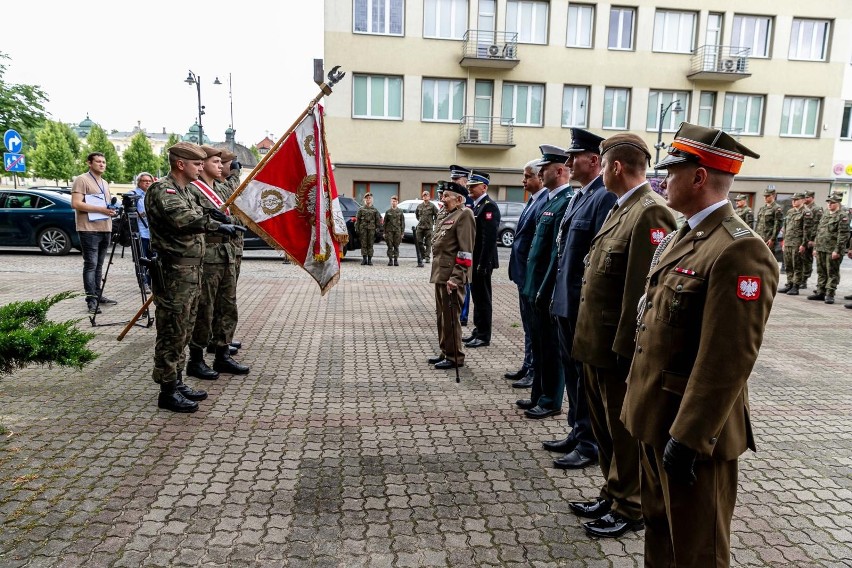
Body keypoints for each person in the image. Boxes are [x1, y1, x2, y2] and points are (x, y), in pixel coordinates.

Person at [621, 123, 778, 567]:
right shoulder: (681, 236)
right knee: (661, 535)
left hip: (691, 435)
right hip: (655, 417)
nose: (662, 179)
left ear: (698, 177)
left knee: (697, 551)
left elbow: (728, 360)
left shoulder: (739, 251)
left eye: (671, 171)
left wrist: (689, 437)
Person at [570, 133, 675, 537]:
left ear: (615, 166)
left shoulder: (650, 212)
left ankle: (631, 506)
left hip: (617, 350)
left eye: (602, 162)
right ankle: (613, 492)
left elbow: (641, 292)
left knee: (623, 432)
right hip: (595, 344)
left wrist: (626, 350)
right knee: (604, 429)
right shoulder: (621, 208)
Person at [543, 128, 622, 470]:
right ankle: (577, 430)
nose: (569, 162)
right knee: (572, 375)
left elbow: (597, 257)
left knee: (584, 377)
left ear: (594, 160)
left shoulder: (604, 197)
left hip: (581, 304)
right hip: (565, 300)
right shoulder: (580, 196)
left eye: (574, 157)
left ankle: (589, 442)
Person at [145, 142, 239, 412]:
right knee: (172, 331)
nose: (202, 167)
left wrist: (216, 215)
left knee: (185, 329)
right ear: (180, 164)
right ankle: (167, 390)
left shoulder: (185, 191)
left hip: (191, 271)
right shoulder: (163, 189)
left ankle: (176, 380)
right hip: (174, 272)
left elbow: (200, 211)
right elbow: (184, 219)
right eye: (197, 164)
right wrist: (216, 224)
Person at [517, 145, 573, 419]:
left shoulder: (566, 202)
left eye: (545, 168)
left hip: (545, 289)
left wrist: (544, 289)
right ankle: (538, 394)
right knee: (539, 345)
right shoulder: (550, 200)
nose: (540, 173)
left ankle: (551, 399)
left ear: (560, 171)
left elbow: (556, 253)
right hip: (533, 287)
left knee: (551, 348)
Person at [186, 145, 249, 379]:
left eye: (221, 163)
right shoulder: (193, 190)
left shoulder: (219, 189)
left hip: (226, 253)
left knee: (227, 306)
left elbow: (234, 206)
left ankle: (222, 353)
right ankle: (196, 359)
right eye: (216, 162)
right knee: (205, 309)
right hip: (207, 255)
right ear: (202, 165)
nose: (221, 166)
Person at [505, 159, 548, 387]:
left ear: (540, 177)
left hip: (532, 275)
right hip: (522, 274)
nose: (523, 181)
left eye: (528, 176)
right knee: (527, 325)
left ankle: (534, 370)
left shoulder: (544, 202)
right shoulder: (533, 201)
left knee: (534, 326)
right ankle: (527, 365)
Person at [427, 181, 475, 370]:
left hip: (452, 277)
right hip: (441, 273)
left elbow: (465, 251)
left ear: (459, 199)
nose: (443, 199)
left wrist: (456, 277)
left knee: (452, 317)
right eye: (443, 195)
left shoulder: (464, 215)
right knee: (442, 316)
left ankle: (455, 356)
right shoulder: (446, 214)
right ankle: (445, 351)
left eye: (447, 196)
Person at [70, 152, 119, 313]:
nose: (102, 164)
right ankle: (91, 299)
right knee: (90, 264)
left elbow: (105, 205)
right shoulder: (82, 180)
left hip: (105, 227)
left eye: (104, 162)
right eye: (98, 161)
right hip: (89, 229)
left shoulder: (104, 182)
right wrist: (101, 209)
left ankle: (98, 294)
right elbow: (76, 204)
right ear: (89, 163)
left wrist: (111, 211)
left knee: (99, 265)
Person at [464, 171, 500, 348]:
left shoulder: (488, 206)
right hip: (476, 260)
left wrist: (483, 264)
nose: (469, 188)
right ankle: (478, 331)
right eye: (469, 186)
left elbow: (489, 239)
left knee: (483, 299)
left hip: (482, 262)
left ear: (484, 187)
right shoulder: (477, 206)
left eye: (473, 186)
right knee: (477, 298)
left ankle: (484, 335)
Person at [216, 149, 244, 353]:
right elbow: (230, 197)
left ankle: (222, 338)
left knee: (227, 298)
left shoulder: (221, 184)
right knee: (219, 300)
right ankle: (217, 340)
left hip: (232, 247)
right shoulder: (216, 186)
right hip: (217, 250)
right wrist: (235, 175)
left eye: (222, 163)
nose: (222, 166)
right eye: (229, 164)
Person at [808, 193, 850, 304]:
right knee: (821, 271)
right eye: (829, 202)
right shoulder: (825, 214)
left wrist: (837, 250)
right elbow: (819, 231)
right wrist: (815, 247)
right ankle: (820, 292)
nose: (830, 204)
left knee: (832, 272)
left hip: (832, 250)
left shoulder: (842, 216)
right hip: (821, 248)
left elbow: (843, 235)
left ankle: (830, 293)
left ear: (838, 203)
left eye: (832, 203)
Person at [448, 165, 474, 325]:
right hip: (452, 252)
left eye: (456, 179)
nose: (454, 182)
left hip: (465, 250)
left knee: (464, 282)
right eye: (452, 179)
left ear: (465, 181)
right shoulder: (452, 199)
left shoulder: (469, 201)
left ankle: (462, 316)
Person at [779, 192, 813, 295]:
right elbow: (785, 227)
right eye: (793, 199)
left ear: (802, 200)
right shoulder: (790, 212)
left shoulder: (806, 212)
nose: (794, 201)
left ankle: (795, 286)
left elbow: (807, 230)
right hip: (789, 241)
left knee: (797, 265)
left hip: (798, 243)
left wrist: (803, 244)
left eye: (796, 199)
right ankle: (789, 284)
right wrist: (784, 241)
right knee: (788, 265)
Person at [128, 172, 154, 290]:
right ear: (139, 182)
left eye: (149, 181)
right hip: (140, 233)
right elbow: (129, 215)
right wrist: (142, 214)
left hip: (152, 233)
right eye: (145, 181)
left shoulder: (152, 194)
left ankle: (151, 283)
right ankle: (143, 283)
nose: (148, 183)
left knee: (152, 259)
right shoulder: (133, 195)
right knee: (141, 259)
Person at [802, 189, 823, 290]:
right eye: (805, 197)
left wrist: (812, 239)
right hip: (802, 237)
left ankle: (804, 279)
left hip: (810, 238)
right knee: (800, 259)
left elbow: (817, 225)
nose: (805, 199)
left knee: (807, 260)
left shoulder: (817, 209)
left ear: (812, 198)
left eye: (807, 197)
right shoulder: (804, 208)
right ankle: (799, 278)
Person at [355, 193, 381, 265]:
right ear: (364, 200)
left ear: (372, 200)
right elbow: (358, 220)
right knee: (363, 244)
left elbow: (378, 221)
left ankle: (369, 259)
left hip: (372, 230)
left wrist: (378, 229)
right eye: (366, 198)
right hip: (363, 230)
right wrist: (357, 229)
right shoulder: (361, 209)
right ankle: (364, 259)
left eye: (369, 198)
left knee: (370, 244)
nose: (368, 200)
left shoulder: (375, 210)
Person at [755, 188, 783, 253]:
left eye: (767, 196)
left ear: (773, 196)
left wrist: (772, 239)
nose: (765, 198)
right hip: (759, 238)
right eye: (764, 196)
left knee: (766, 259)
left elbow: (777, 225)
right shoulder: (762, 208)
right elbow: (758, 224)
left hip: (768, 239)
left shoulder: (777, 209)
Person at [415, 190, 439, 267]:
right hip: (420, 227)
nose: (425, 197)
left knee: (428, 243)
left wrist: (434, 223)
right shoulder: (419, 206)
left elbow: (437, 215)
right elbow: (417, 215)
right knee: (419, 242)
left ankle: (427, 257)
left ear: (429, 197)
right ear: (422, 197)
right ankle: (423, 255)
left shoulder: (432, 206)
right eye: (424, 195)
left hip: (428, 227)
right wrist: (420, 220)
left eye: (426, 195)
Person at [383, 195, 405, 266]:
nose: (394, 203)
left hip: (397, 231)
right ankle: (390, 260)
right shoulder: (388, 212)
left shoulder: (400, 211)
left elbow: (402, 222)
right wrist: (384, 232)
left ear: (397, 202)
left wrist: (402, 232)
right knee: (389, 246)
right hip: (389, 231)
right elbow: (385, 223)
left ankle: (395, 260)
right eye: (393, 201)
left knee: (396, 246)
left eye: (395, 201)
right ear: (391, 202)